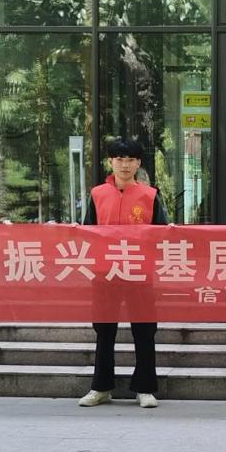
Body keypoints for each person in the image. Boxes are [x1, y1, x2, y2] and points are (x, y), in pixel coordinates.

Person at [79, 137, 167, 409]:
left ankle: (145, 388)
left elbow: (162, 234)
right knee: (104, 331)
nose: (125, 165)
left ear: (138, 164)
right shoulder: (97, 194)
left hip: (139, 273)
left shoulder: (150, 195)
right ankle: (101, 387)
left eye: (130, 160)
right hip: (105, 272)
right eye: (119, 159)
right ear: (110, 162)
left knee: (144, 330)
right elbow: (88, 232)